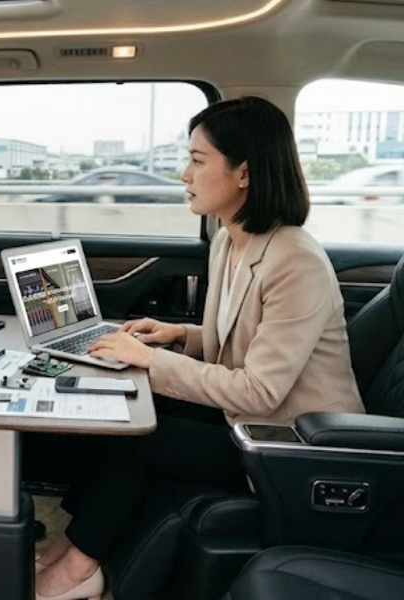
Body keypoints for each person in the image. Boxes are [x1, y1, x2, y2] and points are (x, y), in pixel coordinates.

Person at [33, 96, 365, 600]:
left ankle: (78, 570)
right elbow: (246, 336)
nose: (184, 174)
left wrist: (154, 360)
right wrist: (177, 336)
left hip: (289, 446)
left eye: (197, 159)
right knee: (121, 408)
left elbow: (259, 388)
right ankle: (76, 545)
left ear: (244, 173)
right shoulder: (230, 242)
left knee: (142, 436)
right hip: (248, 418)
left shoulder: (296, 260)